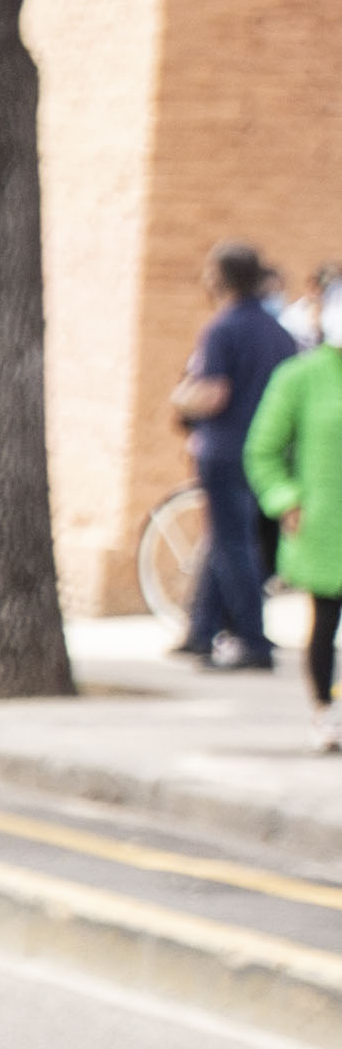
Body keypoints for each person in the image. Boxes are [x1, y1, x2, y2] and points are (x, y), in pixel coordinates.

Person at [172, 240, 294, 672]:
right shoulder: (279, 332)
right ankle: (201, 631)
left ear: (220, 277)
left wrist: (182, 398)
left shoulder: (223, 329)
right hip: (266, 453)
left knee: (232, 543)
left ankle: (252, 640)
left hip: (226, 450)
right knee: (229, 540)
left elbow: (213, 393)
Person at [248, 321, 342, 754]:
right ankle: (325, 710)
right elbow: (263, 450)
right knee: (325, 622)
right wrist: (286, 500)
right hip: (325, 527)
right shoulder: (300, 377)